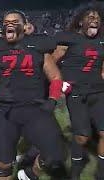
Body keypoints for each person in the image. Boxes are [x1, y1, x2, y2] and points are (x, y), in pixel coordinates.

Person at [0, 10, 66, 179]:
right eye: (6, 21)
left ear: (25, 25)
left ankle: (31, 173)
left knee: (55, 155)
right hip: (3, 110)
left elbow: (55, 77)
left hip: (35, 108)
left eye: (15, 21)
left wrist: (52, 99)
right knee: (4, 162)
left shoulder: (38, 44)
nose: (10, 23)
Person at [52, 5, 104, 179]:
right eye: (90, 17)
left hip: (99, 92)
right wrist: (58, 81)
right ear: (81, 21)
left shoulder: (102, 41)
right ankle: (74, 174)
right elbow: (50, 62)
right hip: (76, 93)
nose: (94, 19)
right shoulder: (69, 38)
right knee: (82, 136)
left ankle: (101, 173)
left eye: (97, 17)